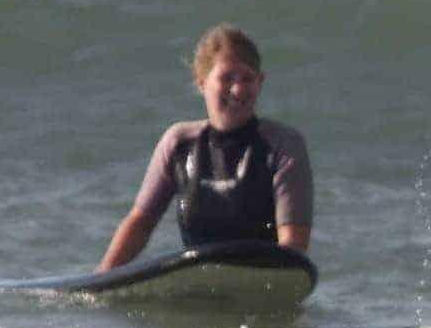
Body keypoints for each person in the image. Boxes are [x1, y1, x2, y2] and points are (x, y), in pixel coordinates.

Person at [98, 25, 313, 271]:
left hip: (261, 282)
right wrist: (100, 278)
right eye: (227, 78)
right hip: (198, 282)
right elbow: (141, 222)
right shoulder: (179, 143)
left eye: (247, 78)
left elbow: (293, 244)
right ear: (201, 83)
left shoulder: (283, 144)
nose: (238, 89)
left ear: (260, 81)